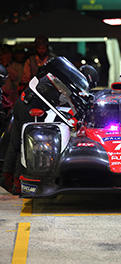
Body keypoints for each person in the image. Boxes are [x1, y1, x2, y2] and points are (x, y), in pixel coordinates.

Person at [0, 56, 94, 195]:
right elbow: (70, 102)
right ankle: (18, 183)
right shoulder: (64, 82)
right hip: (28, 107)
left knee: (16, 144)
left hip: (23, 103)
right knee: (25, 146)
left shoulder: (61, 78)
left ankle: (7, 178)